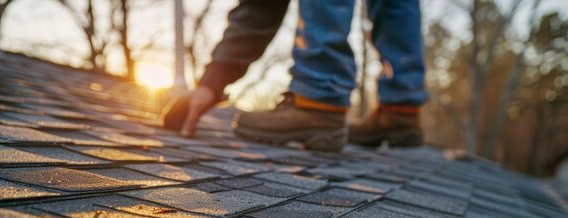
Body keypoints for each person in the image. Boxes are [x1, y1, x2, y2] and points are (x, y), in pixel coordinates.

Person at [161, 0, 428, 152]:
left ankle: (318, 99)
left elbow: (261, 7)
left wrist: (215, 77)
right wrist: (212, 82)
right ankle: (400, 109)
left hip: (320, 93)